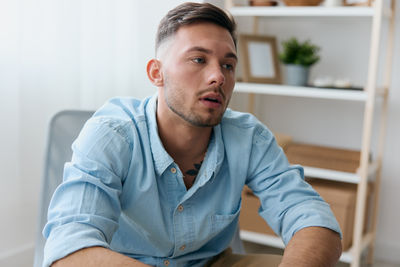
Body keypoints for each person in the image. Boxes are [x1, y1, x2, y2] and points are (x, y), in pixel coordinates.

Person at [43, 2, 342, 267]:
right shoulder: (112, 134)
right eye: (199, 60)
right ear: (156, 73)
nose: (219, 76)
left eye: (228, 65)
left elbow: (310, 216)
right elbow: (69, 249)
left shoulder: (250, 138)